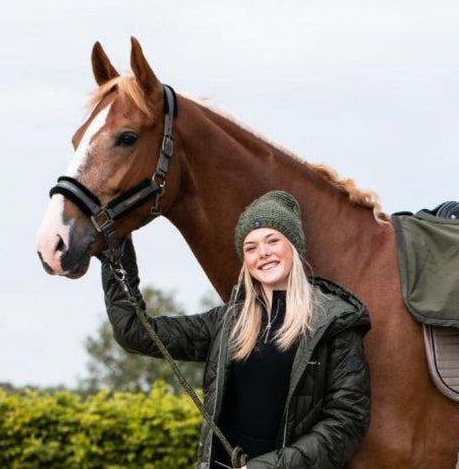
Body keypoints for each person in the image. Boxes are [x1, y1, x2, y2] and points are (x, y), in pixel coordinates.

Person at [100, 190, 371, 469]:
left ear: (294, 246)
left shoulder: (334, 323)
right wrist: (115, 254)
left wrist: (268, 467)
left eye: (272, 240)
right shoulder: (228, 321)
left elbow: (347, 421)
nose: (262, 253)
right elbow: (134, 332)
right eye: (251, 247)